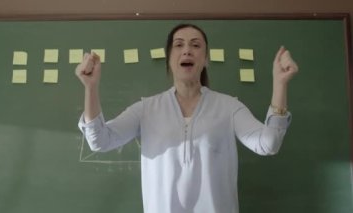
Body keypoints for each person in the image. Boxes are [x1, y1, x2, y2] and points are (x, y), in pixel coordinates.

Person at [76, 23, 298, 213]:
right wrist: (91, 88)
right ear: (169, 58)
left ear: (206, 59)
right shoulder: (146, 109)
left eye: (195, 45)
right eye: (179, 45)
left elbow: (269, 143)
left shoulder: (229, 106)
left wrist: (280, 84)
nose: (187, 51)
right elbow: (99, 140)